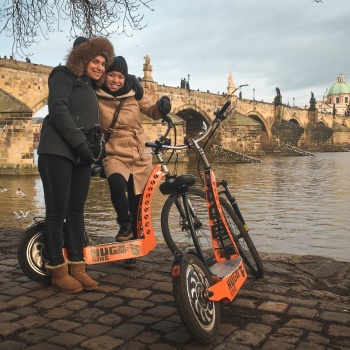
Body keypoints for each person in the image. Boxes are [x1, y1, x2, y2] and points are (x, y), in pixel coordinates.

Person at [37, 36, 114, 293]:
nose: (100, 67)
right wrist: (81, 143)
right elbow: (58, 110)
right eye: (95, 61)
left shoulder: (90, 87)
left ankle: (77, 267)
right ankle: (57, 269)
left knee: (77, 211)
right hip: (57, 151)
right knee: (57, 212)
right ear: (82, 58)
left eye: (103, 63)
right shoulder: (62, 75)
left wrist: (94, 147)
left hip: (82, 155)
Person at [96, 56, 171, 268]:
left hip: (139, 153)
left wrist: (163, 104)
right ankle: (124, 223)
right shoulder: (95, 95)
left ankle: (131, 251)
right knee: (116, 184)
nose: (115, 80)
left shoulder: (134, 93)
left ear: (125, 77)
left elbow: (153, 111)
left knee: (137, 205)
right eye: (111, 75)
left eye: (120, 76)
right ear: (105, 75)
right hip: (114, 152)